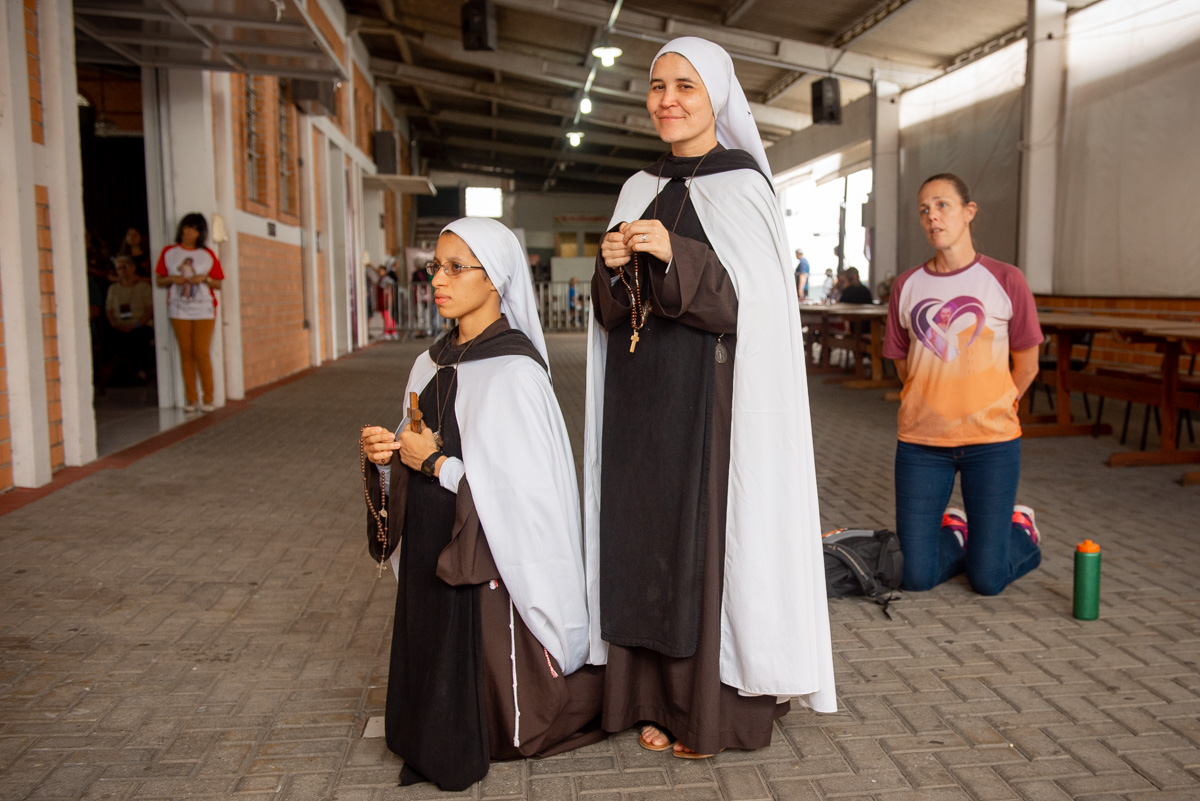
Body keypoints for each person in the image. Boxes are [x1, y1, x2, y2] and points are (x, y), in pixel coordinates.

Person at [584, 36, 836, 760]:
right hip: (640, 407)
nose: (668, 100)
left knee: (701, 548)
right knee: (642, 545)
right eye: (657, 86)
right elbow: (613, 311)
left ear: (717, 95)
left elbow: (751, 306)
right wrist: (611, 265)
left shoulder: (744, 186)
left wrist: (677, 253)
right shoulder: (637, 187)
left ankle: (710, 714)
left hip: (711, 408)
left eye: (685, 86)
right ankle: (647, 698)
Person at [359, 217, 605, 791]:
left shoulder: (515, 372)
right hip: (431, 544)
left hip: (485, 561)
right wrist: (385, 458)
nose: (437, 280)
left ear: (494, 278)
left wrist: (435, 465)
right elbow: (415, 445)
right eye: (435, 267)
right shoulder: (428, 363)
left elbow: (524, 499)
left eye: (455, 268)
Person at [882, 173, 1044, 596]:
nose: (932, 216)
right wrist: (933, 397)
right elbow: (901, 362)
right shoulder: (906, 286)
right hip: (921, 445)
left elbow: (1027, 365)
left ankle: (1021, 529)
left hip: (991, 444)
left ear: (969, 212)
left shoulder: (1006, 279)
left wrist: (996, 403)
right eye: (924, 209)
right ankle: (957, 534)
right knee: (914, 577)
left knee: (987, 580)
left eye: (942, 205)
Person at [155, 212, 223, 413]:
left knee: (201, 351)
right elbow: (160, 279)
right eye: (186, 227)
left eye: (193, 229)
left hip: (204, 309)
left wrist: (204, 279)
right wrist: (172, 279)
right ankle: (191, 399)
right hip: (179, 309)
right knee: (186, 352)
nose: (188, 232)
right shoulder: (169, 252)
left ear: (200, 233)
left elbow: (218, 282)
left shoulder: (207, 254)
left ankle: (208, 398)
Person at [101, 255, 154, 386]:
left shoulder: (144, 286)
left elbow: (149, 310)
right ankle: (114, 375)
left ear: (133, 268)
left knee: (138, 337)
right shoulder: (113, 288)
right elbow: (108, 311)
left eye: (125, 267)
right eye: (119, 268)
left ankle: (140, 373)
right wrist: (115, 324)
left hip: (140, 325)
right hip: (119, 325)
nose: (122, 271)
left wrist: (136, 325)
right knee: (110, 337)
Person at [376, 264, 397, 340]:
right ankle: (392, 331)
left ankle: (388, 331)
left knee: (387, 316)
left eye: (381, 271)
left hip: (386, 300)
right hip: (381, 299)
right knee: (386, 316)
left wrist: (387, 288)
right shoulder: (381, 279)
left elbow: (391, 284)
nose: (380, 272)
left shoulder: (386, 279)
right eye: (379, 271)